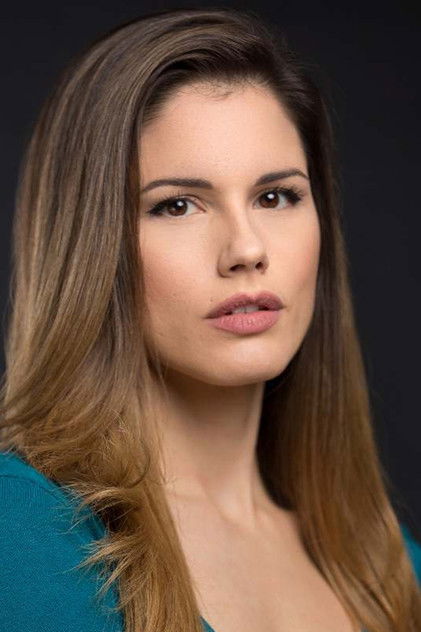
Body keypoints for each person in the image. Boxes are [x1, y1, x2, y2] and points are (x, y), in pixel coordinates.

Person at [0, 6, 420, 632]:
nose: (247, 249)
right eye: (177, 206)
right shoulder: (22, 533)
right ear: (92, 249)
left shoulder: (389, 565)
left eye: (275, 196)